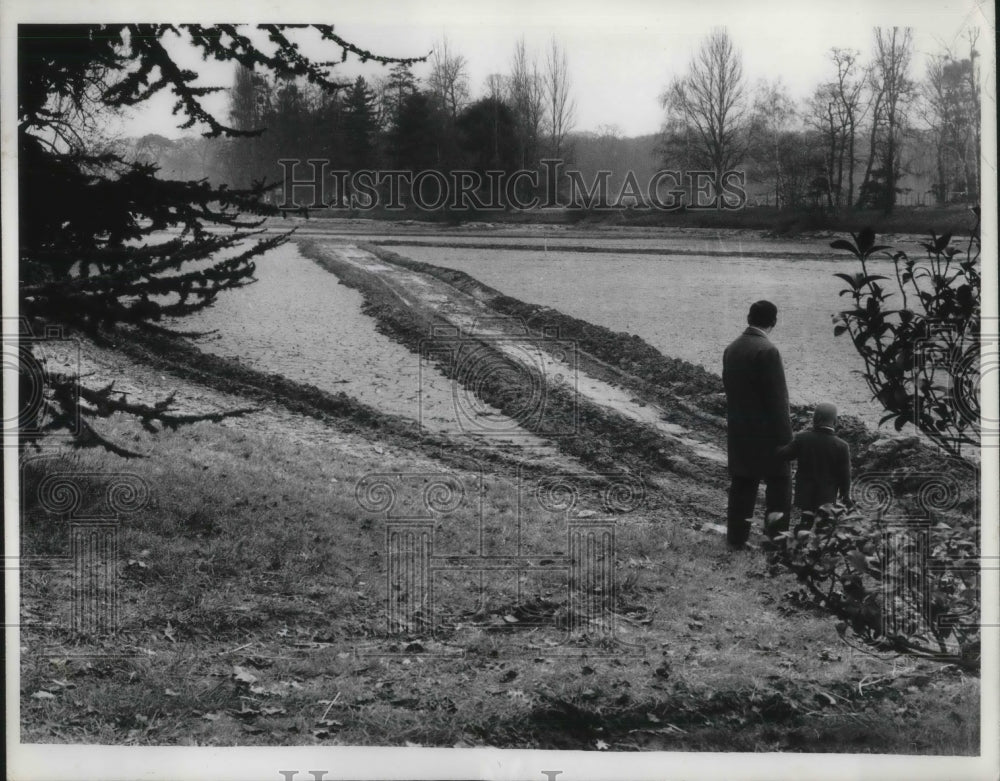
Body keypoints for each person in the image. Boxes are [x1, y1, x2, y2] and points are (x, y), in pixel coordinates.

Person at [722, 300, 792, 548]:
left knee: (742, 485)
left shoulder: (732, 348)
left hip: (740, 431)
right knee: (780, 488)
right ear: (773, 321)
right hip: (768, 436)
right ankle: (775, 543)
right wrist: (787, 441)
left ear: (748, 317)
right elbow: (778, 401)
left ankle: (736, 540)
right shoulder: (768, 350)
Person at [777, 402, 852, 528]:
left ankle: (799, 546)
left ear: (815, 419)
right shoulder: (842, 446)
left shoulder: (802, 438)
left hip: (805, 492)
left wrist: (775, 445)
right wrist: (845, 494)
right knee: (824, 526)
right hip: (827, 495)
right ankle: (820, 546)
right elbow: (845, 475)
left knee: (805, 522)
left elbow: (784, 455)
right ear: (835, 421)